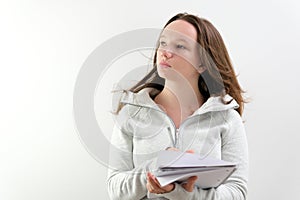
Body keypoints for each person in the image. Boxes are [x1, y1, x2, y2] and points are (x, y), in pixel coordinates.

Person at [106, 13, 248, 200]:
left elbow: (237, 193)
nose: (165, 52)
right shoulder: (132, 113)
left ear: (202, 63)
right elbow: (115, 189)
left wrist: (183, 194)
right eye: (163, 43)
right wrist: (156, 168)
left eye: (180, 46)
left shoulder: (228, 119)